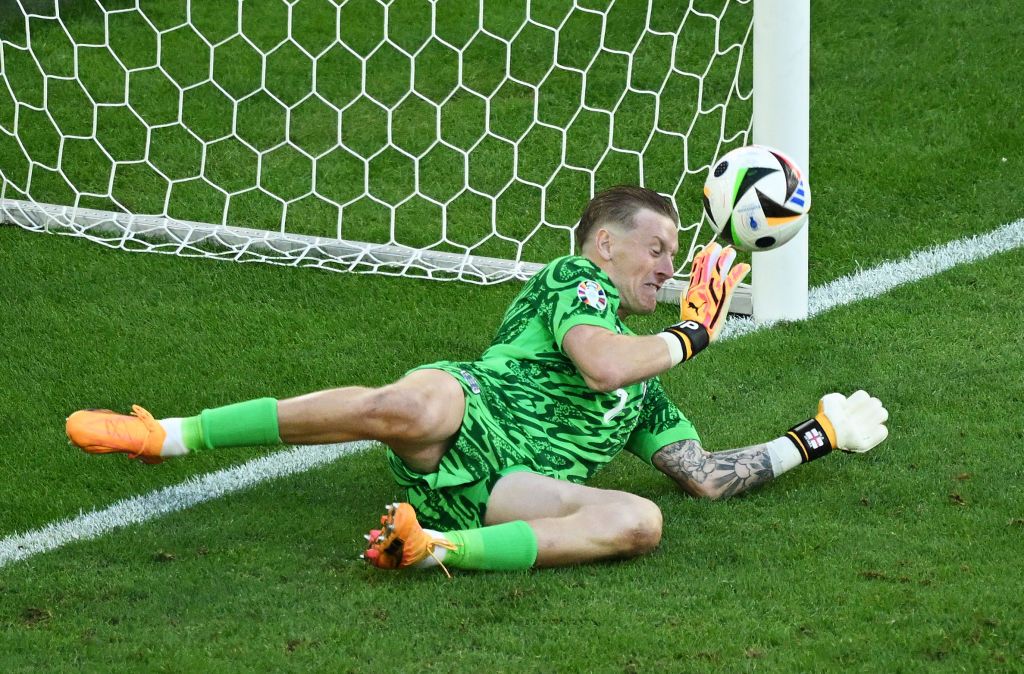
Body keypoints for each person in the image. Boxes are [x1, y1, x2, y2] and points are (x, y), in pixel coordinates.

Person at [66, 185, 889, 575]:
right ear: (605, 244)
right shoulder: (576, 282)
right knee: (410, 403)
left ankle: (430, 550)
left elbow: (705, 477)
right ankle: (170, 436)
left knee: (641, 521)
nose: (670, 267)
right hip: (463, 421)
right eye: (657, 250)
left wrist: (816, 437)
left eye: (676, 256)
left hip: (506, 493)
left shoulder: (645, 393)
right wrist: (695, 331)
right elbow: (601, 358)